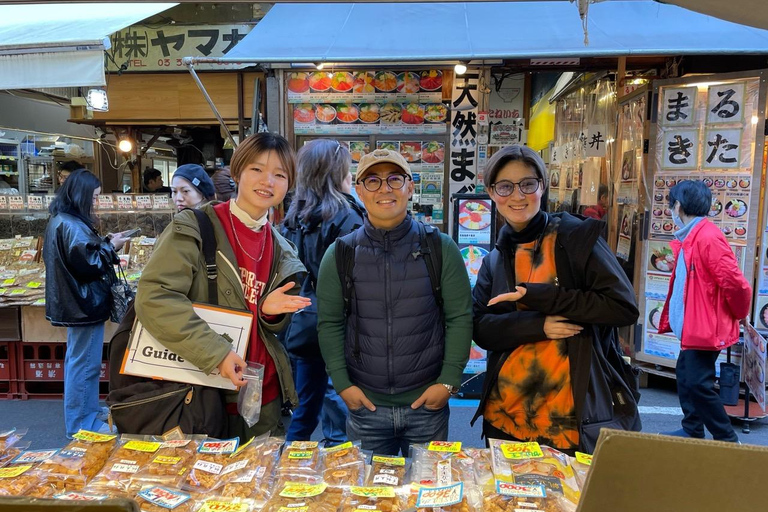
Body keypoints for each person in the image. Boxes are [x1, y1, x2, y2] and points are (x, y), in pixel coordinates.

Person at [136, 133, 309, 440]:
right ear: (238, 171)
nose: (268, 181)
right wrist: (216, 353)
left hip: (262, 395)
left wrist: (267, 312)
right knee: (201, 483)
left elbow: (272, 328)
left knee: (254, 483)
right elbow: (155, 297)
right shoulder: (195, 227)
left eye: (279, 174)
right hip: (199, 393)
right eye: (257, 169)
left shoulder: (282, 248)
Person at [471, 145, 639, 455]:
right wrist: (539, 325)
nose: (517, 196)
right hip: (506, 415)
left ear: (543, 185)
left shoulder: (573, 239)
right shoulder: (496, 258)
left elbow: (623, 307)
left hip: (571, 420)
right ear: (491, 193)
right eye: (505, 186)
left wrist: (545, 296)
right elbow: (481, 329)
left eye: (528, 184)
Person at [317, 148, 472, 456]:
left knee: (429, 498)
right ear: (359, 190)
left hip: (427, 405)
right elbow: (330, 323)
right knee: (370, 499)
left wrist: (448, 383)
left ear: (410, 187)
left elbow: (460, 317)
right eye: (372, 180)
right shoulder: (340, 254)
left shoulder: (440, 248)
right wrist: (342, 384)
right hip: (366, 407)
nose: (385, 189)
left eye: (394, 179)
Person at [281, 139, 365, 446]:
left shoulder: (291, 218)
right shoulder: (348, 218)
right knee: (338, 402)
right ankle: (339, 465)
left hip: (300, 324)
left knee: (306, 404)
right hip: (339, 324)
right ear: (336, 173)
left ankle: (290, 460)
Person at [658, 180, 750, 442]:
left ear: (678, 205)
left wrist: (737, 315)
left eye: (671, 205)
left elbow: (737, 284)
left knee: (698, 384)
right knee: (687, 379)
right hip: (695, 326)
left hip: (705, 326)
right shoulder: (693, 235)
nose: (671, 211)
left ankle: (727, 438)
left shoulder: (707, 237)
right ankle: (692, 430)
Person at [43, 169, 129, 438]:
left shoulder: (61, 220)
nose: (95, 202)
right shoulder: (71, 224)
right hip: (82, 305)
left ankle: (87, 412)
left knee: (79, 361)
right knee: (85, 364)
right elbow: (89, 264)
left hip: (75, 304)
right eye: (93, 197)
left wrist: (104, 243)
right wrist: (111, 247)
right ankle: (83, 424)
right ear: (81, 196)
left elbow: (81, 256)